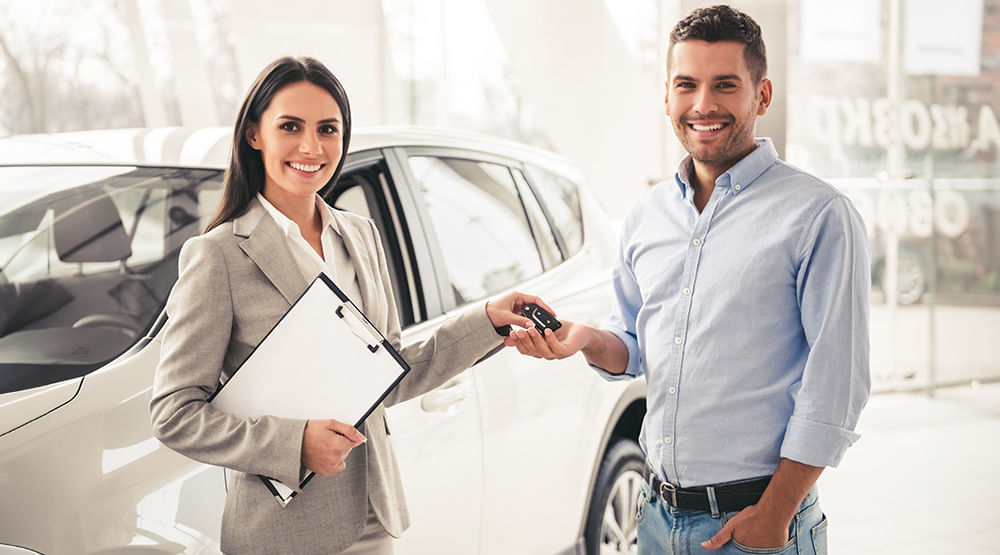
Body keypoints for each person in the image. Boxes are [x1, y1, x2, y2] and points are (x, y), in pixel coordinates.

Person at [505, 5, 870, 554]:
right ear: (667, 97)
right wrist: (583, 339)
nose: (703, 105)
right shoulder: (646, 216)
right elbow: (633, 345)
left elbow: (837, 386)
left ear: (762, 96)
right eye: (686, 85)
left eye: (725, 85)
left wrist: (774, 514)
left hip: (756, 524)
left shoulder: (818, 215)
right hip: (655, 520)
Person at [149, 56, 547, 555]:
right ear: (254, 135)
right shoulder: (219, 256)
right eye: (290, 127)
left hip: (372, 518)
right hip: (282, 534)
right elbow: (173, 413)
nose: (311, 147)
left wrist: (485, 320)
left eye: (327, 129)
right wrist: (293, 444)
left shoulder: (359, 235)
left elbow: (388, 373)